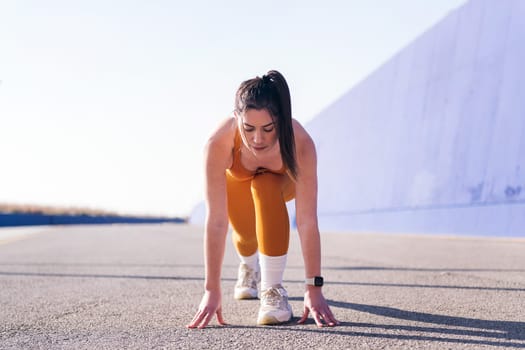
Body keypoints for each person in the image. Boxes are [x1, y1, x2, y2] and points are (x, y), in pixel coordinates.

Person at [187, 70, 339, 328]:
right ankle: (249, 265)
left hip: (281, 185)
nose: (258, 139)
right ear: (237, 118)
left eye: (268, 129)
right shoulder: (218, 143)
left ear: (280, 120)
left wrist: (314, 288)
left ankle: (272, 290)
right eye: (248, 128)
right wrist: (211, 290)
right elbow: (216, 223)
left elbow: (306, 222)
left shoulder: (300, 142)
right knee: (246, 237)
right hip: (238, 181)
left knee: (264, 183)